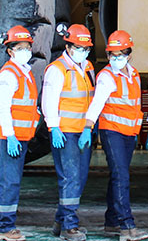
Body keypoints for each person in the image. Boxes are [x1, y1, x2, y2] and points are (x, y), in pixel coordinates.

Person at [81, 30, 148, 241]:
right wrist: (88, 126)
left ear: (129, 54)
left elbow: (134, 105)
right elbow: (97, 103)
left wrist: (143, 130)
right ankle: (126, 226)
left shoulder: (134, 74)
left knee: (117, 176)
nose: (116, 58)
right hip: (112, 132)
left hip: (129, 133)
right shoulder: (106, 77)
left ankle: (111, 221)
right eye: (112, 54)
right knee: (121, 176)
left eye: (120, 54)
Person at [43, 24, 96, 241]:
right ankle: (69, 227)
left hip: (82, 132)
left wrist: (88, 128)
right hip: (65, 133)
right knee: (71, 178)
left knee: (79, 178)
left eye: (85, 48)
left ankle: (61, 220)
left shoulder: (88, 67)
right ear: (68, 46)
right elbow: (48, 101)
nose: (82, 51)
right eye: (78, 47)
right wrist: (53, 127)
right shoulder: (57, 69)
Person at [0, 26, 40, 241]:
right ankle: (5, 228)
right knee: (10, 182)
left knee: (11, 180)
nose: (25, 51)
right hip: (10, 137)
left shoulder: (24, 72)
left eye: (27, 47)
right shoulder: (8, 75)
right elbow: (4, 107)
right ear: (10, 51)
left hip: (20, 136)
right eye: (20, 47)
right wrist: (10, 136)